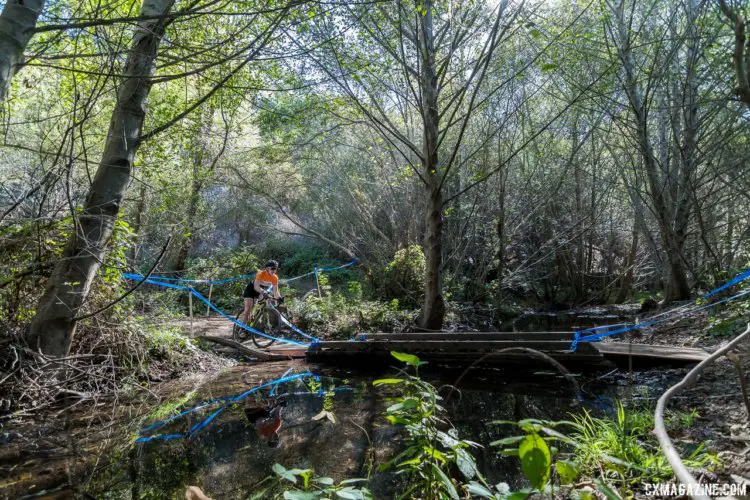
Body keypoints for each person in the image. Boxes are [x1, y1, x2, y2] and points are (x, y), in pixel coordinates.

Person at [241, 260, 284, 325]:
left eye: (276, 269)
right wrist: (264, 292)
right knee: (248, 309)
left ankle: (255, 319)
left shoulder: (275, 277)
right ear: (267, 269)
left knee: (264, 304)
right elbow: (256, 286)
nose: (274, 271)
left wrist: (279, 298)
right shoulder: (260, 273)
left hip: (260, 290)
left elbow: (275, 291)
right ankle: (242, 328)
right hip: (251, 289)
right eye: (273, 268)